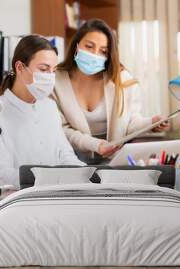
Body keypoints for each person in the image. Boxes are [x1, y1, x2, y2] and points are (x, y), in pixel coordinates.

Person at [52, 19, 169, 164]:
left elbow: (129, 123)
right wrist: (96, 145)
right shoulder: (55, 81)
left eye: (103, 51)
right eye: (89, 46)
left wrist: (151, 123)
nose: (95, 54)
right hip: (70, 159)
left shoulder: (121, 80)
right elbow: (60, 128)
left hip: (113, 160)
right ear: (76, 45)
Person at [0, 35, 85, 189]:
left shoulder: (50, 107)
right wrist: (47, 178)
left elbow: (65, 156)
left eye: (53, 71)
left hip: (50, 194)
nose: (50, 77)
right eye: (43, 69)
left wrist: (86, 173)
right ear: (20, 68)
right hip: (11, 199)